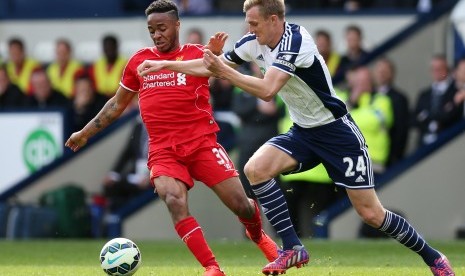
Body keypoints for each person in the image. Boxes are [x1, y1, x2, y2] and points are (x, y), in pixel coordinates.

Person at [137, 0, 456, 275]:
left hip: (337, 133)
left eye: (254, 23)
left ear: (274, 19)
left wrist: (225, 72)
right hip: (303, 132)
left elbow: (266, 90)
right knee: (254, 170)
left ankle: (434, 258)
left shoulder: (296, 41)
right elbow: (212, 66)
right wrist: (165, 64)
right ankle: (292, 247)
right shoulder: (253, 41)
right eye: (248, 23)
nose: (249, 29)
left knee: (372, 214)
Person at [65, 1, 278, 276]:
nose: (157, 34)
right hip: (163, 150)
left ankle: (259, 237)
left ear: (177, 25)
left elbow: (220, 75)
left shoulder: (194, 54)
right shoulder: (139, 61)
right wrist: (85, 133)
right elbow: (117, 105)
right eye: (151, 30)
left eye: (162, 28)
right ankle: (212, 268)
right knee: (173, 199)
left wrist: (213, 56)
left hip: (202, 143)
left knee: (241, 205)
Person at [413, 54, 462, 148]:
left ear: (447, 69)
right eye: (433, 69)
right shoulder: (424, 94)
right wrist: (429, 124)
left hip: (448, 143)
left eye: (439, 68)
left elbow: (450, 115)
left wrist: (427, 116)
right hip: (424, 143)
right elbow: (414, 118)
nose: (436, 72)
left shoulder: (455, 92)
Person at [372, 57, 410, 166]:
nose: (381, 74)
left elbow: (401, 131)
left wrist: (395, 157)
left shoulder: (399, 98)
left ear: (392, 74)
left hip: (389, 158)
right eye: (379, 71)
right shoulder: (367, 96)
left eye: (385, 71)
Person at [88, 34, 127, 99]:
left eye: (111, 47)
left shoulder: (126, 64)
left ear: (116, 47)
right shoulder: (95, 65)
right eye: (107, 48)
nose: (109, 51)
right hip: (99, 100)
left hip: (120, 99)